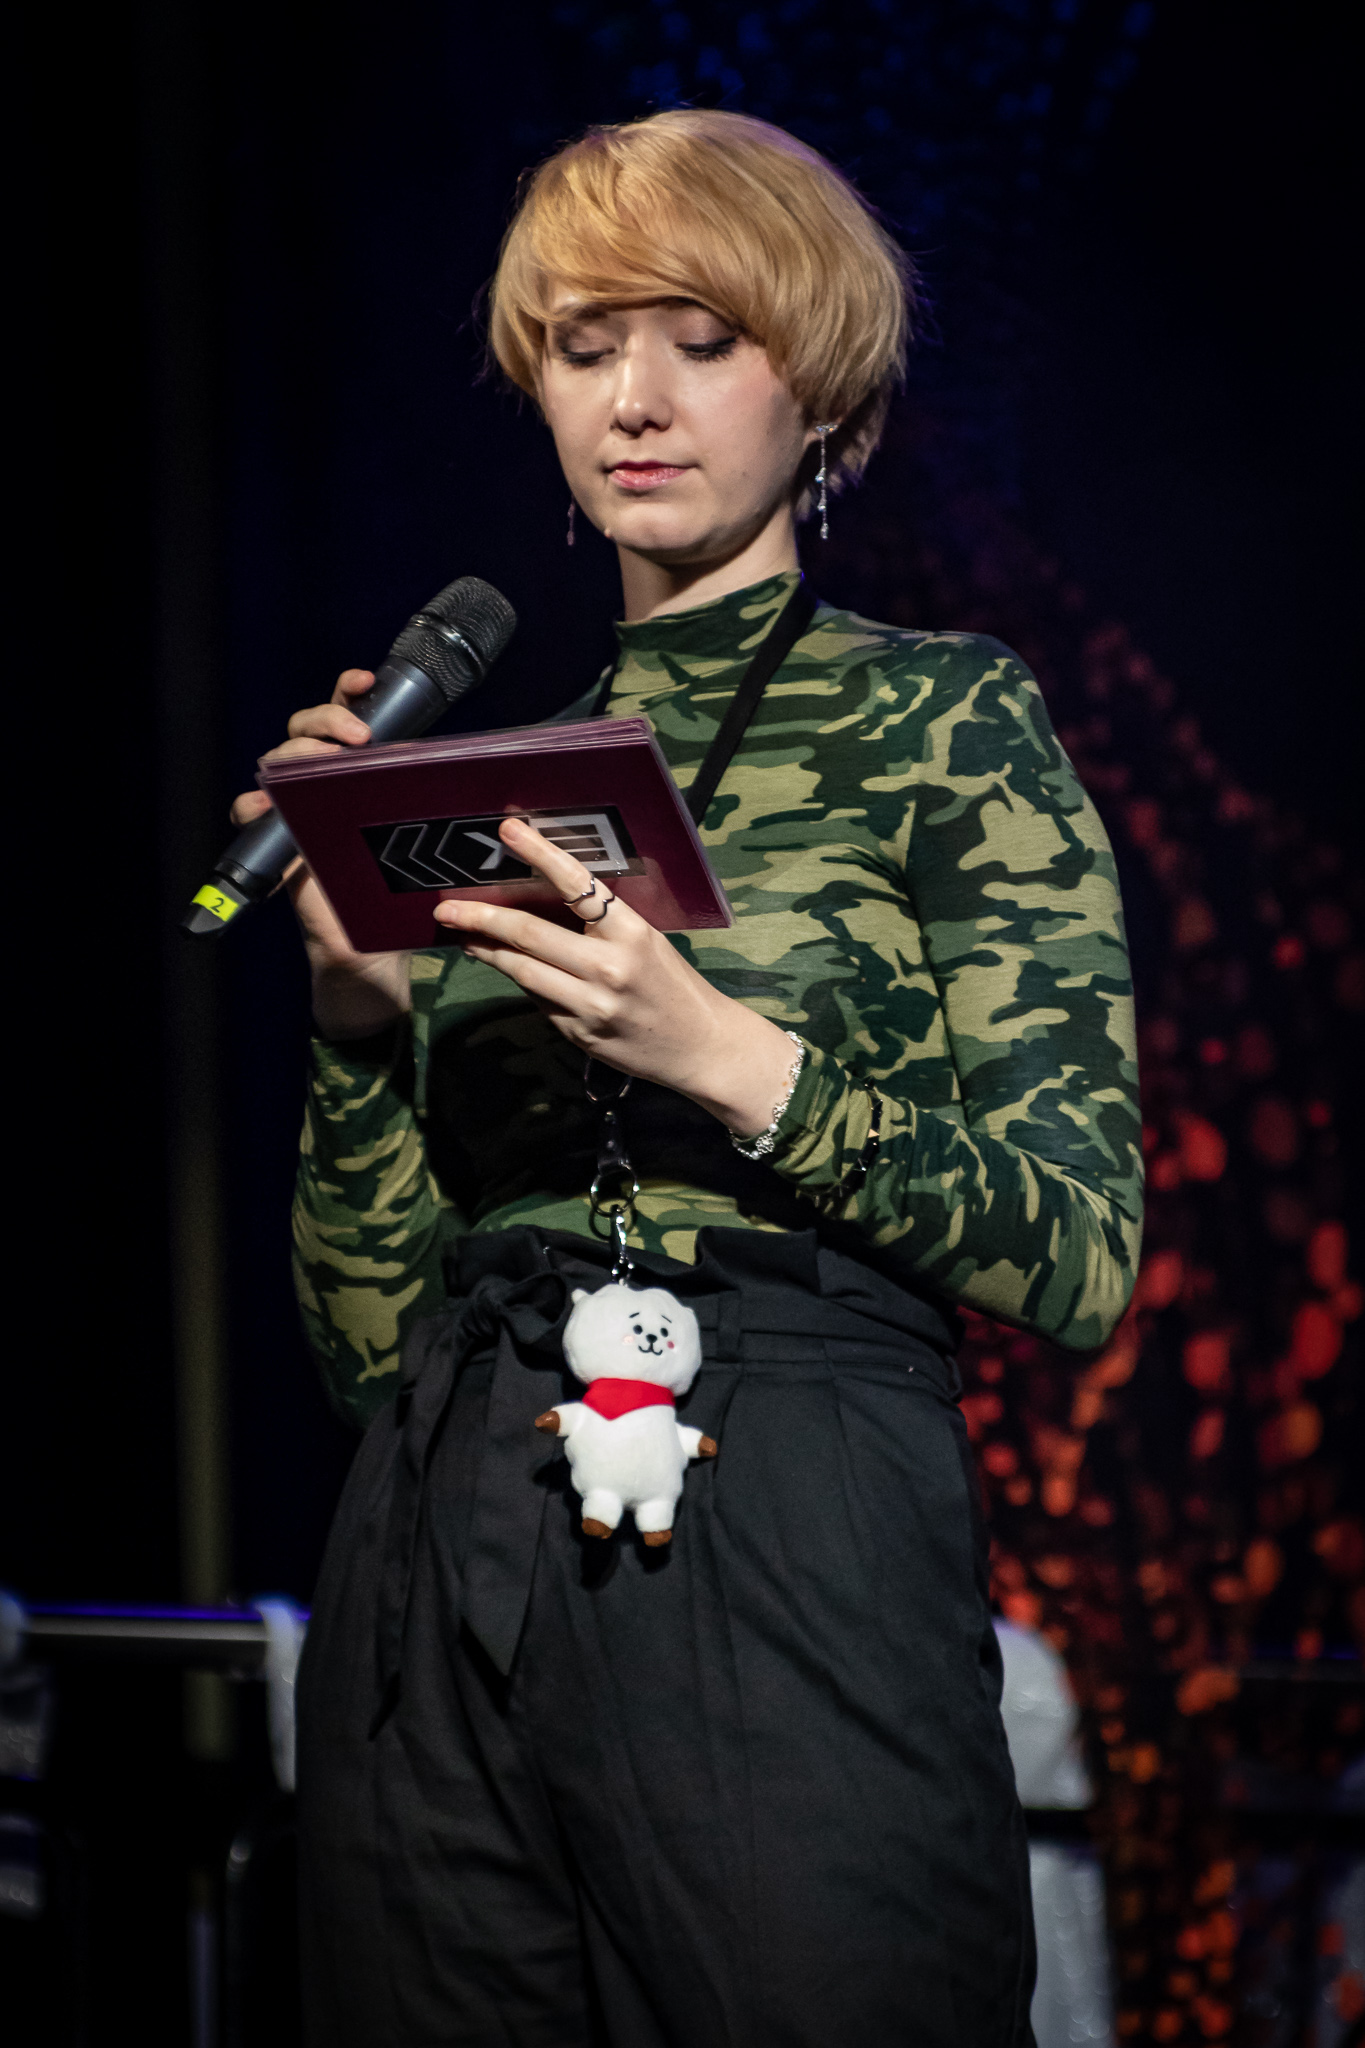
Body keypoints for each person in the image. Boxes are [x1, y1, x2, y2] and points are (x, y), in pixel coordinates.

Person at [237, 108, 1143, 2046]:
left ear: (816, 387)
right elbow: (365, 1348)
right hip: (448, 1511)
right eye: (583, 349)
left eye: (700, 340)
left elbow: (1076, 1252)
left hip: (782, 1488)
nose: (633, 399)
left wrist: (729, 1061)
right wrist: (356, 1024)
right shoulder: (482, 791)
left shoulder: (940, 716)